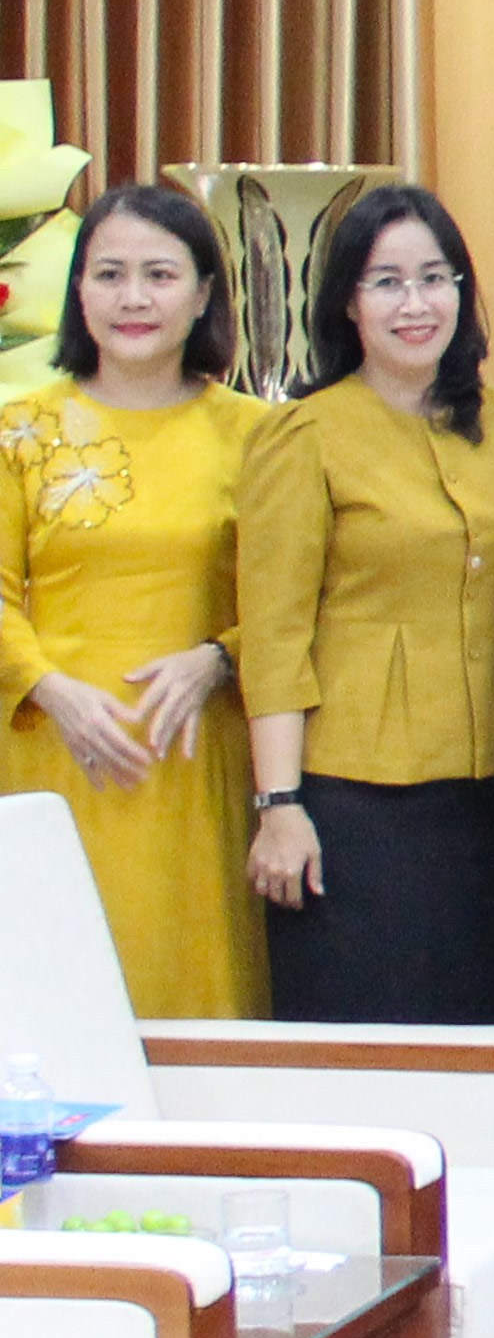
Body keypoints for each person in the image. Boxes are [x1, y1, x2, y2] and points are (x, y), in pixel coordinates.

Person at [235, 185, 494, 1022]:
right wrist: (280, 804)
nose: (416, 303)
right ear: (347, 301)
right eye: (387, 282)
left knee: (486, 1040)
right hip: (354, 801)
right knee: (365, 1044)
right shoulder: (305, 434)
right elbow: (274, 636)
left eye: (435, 278)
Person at [0, 183, 272, 1019]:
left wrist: (218, 657)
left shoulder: (261, 435)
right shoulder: (19, 431)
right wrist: (50, 687)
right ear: (78, 292)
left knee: (201, 1000)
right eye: (109, 273)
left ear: (202, 295)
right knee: (56, 1001)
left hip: (197, 758)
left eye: (159, 273)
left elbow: (296, 601)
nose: (133, 297)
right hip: (51, 749)